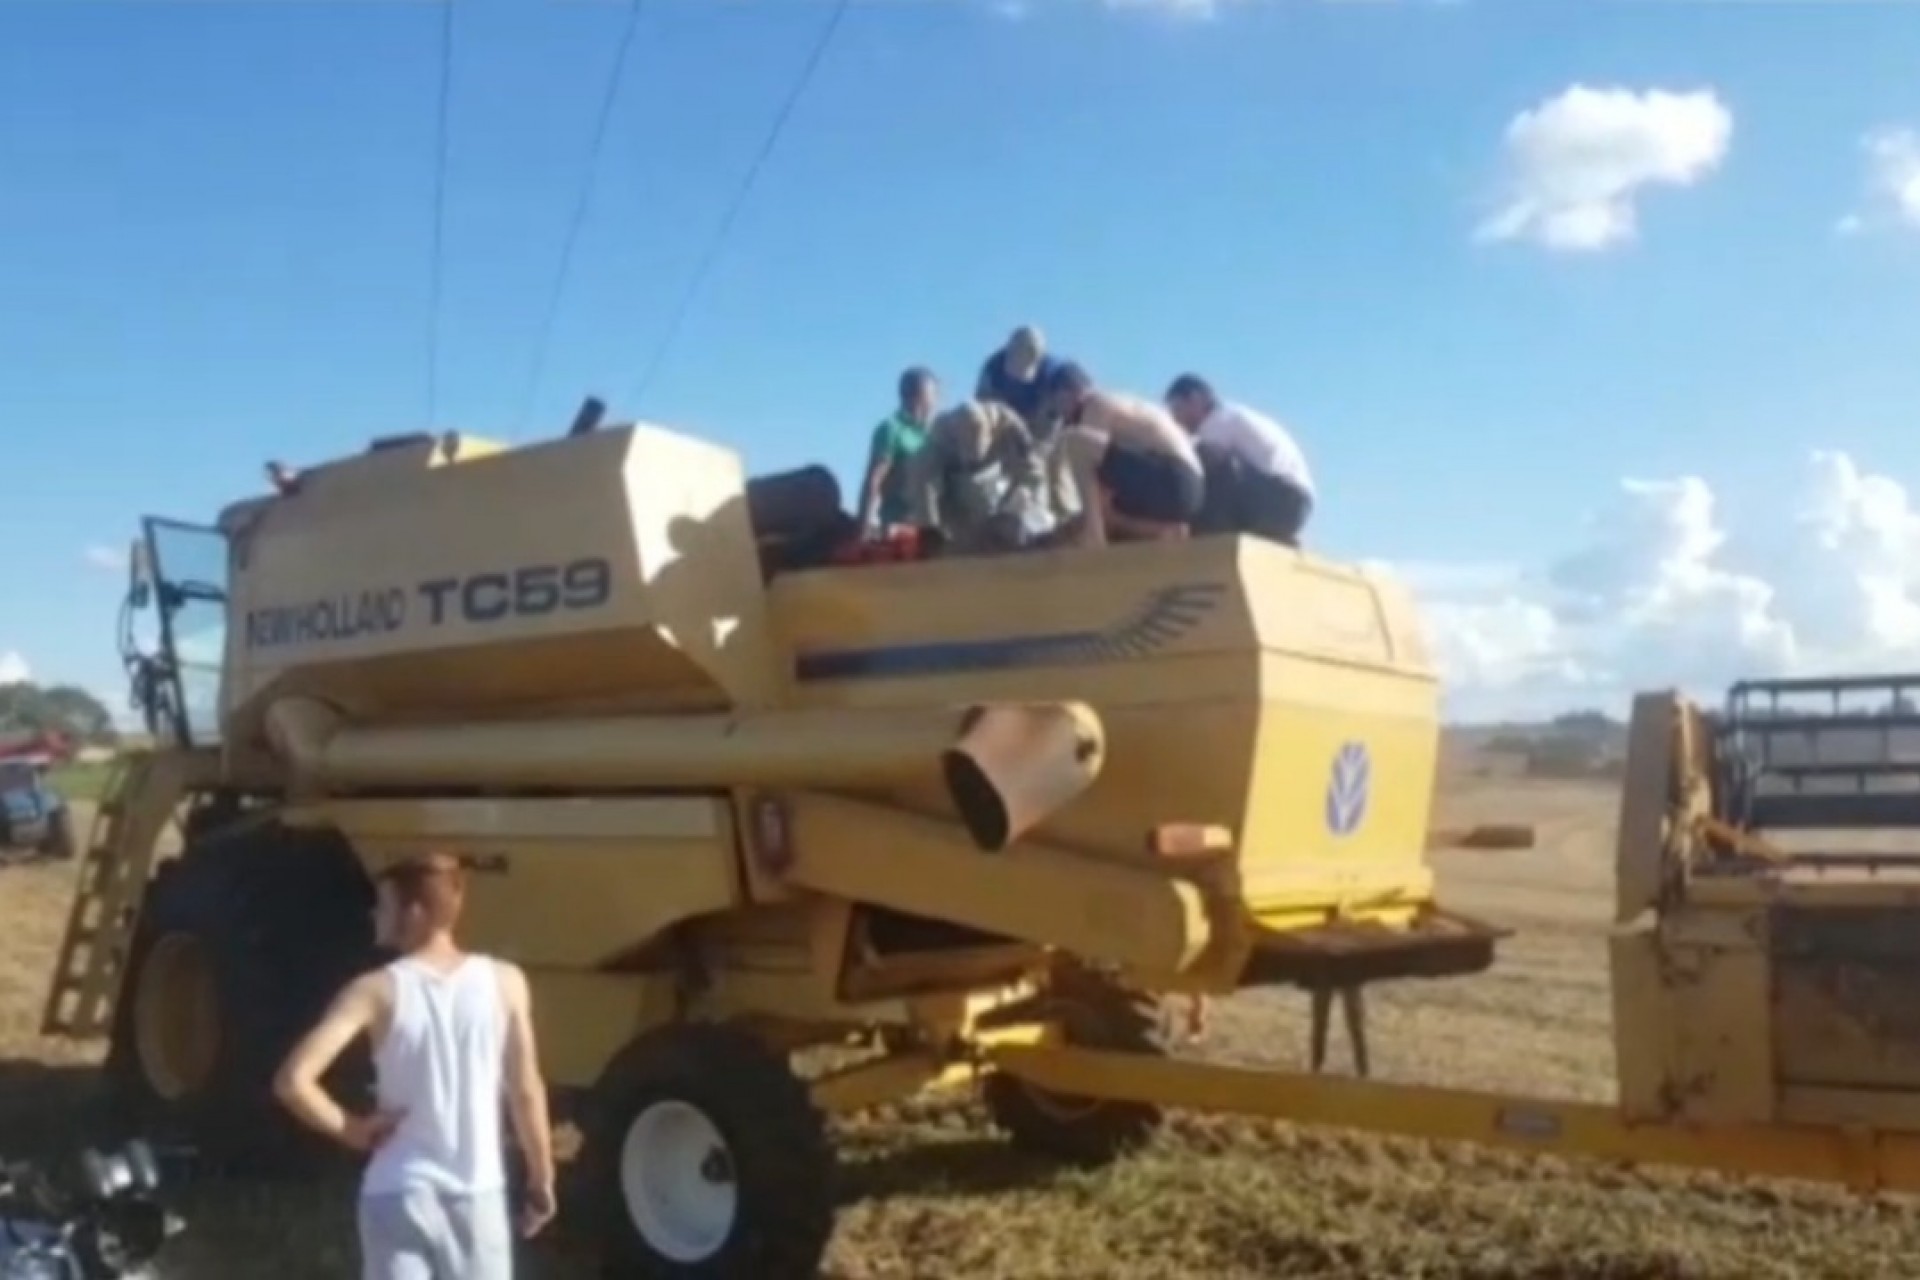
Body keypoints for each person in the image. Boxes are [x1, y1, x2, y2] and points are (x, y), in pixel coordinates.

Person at [274, 852, 556, 1280]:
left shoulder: (373, 991)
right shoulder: (506, 983)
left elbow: (293, 1081)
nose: (375, 914)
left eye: (384, 905)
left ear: (416, 912)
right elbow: (525, 1090)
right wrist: (542, 1177)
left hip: (397, 1192)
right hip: (477, 1196)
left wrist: (352, 1129)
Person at [1042, 361, 1205, 548]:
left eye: (1056, 402)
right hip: (1188, 491)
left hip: (1174, 476)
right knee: (1107, 510)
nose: (1058, 413)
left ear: (1068, 393)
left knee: (1075, 441)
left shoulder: (1095, 404)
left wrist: (1071, 526)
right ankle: (1163, 530)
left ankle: (1093, 537)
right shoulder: (1124, 405)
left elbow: (1097, 487)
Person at [1164, 373, 1316, 547]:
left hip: (1285, 499)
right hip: (1292, 504)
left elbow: (1197, 464)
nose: (1176, 419)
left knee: (1204, 464)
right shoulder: (1231, 416)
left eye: (1177, 409)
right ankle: (1271, 536)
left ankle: (1211, 539)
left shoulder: (1220, 420)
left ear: (1196, 399)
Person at [905, 399, 1070, 554]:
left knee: (1025, 522)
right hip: (957, 497)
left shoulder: (1009, 424)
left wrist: (1018, 499)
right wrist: (929, 527)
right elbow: (924, 486)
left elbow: (1032, 470)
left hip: (1001, 489)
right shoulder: (939, 435)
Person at [858, 366, 938, 538]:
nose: (934, 404)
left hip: (934, 524)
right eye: (931, 397)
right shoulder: (891, 430)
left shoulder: (936, 434)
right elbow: (874, 480)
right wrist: (861, 533)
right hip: (900, 525)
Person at [975, 325, 1060, 428]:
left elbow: (1053, 420)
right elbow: (981, 408)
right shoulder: (992, 369)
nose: (1016, 381)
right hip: (999, 421)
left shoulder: (1052, 375)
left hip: (1034, 423)